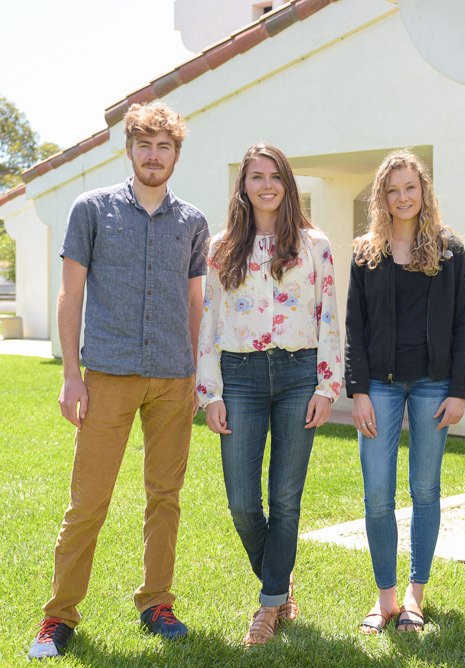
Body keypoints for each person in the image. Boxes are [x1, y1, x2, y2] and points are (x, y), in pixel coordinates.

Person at [27, 101, 209, 659]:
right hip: (106, 376)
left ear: (176, 153)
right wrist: (71, 377)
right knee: (89, 501)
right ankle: (58, 617)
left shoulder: (193, 222)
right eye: (145, 146)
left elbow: (194, 301)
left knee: (166, 496)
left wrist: (195, 375)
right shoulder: (92, 209)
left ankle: (157, 601)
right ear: (128, 149)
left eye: (165, 147)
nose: (154, 156)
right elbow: (71, 294)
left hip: (173, 380)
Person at [196, 143, 343, 646]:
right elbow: (208, 324)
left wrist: (328, 384)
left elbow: (329, 317)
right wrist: (209, 393)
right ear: (243, 186)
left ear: (287, 183)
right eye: (255, 176)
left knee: (285, 498)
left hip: (299, 372)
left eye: (274, 175)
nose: (265, 185)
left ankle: (267, 605)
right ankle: (280, 583)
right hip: (240, 376)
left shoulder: (314, 243)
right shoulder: (220, 248)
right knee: (241, 501)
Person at [345, 150, 465, 634]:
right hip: (378, 385)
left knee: (425, 489)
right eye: (392, 189)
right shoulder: (366, 252)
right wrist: (357, 392)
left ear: (424, 191)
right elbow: (355, 327)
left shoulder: (448, 250)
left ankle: (416, 596)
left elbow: (461, 323)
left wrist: (458, 389)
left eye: (410, 188)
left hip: (434, 384)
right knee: (377, 494)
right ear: (381, 195)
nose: (402, 197)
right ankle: (386, 600)